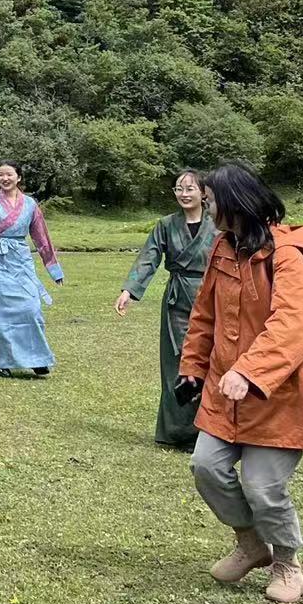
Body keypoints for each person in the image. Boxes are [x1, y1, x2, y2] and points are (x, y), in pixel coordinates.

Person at [179, 165, 303, 604]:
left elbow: (296, 323)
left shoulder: (286, 254)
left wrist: (249, 372)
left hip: (279, 396)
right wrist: (192, 368)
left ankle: (287, 564)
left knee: (263, 487)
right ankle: (250, 543)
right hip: (225, 395)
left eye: (210, 201)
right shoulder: (222, 248)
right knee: (206, 467)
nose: (206, 209)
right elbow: (204, 315)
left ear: (235, 202)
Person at [115, 170, 215, 449]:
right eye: (179, 189)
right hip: (177, 302)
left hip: (212, 299)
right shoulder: (166, 225)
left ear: (203, 193)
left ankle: (209, 432)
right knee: (177, 362)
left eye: (190, 189)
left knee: (210, 361)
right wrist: (129, 290)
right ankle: (177, 432)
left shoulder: (218, 224)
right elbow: (149, 257)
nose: (184, 194)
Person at [0, 161, 64, 378]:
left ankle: (36, 359)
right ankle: (0, 362)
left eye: (9, 175)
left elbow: (42, 238)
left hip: (21, 261)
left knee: (31, 308)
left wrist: (54, 268)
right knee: (0, 314)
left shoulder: (30, 204)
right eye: (0, 175)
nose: (5, 179)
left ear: (19, 177)